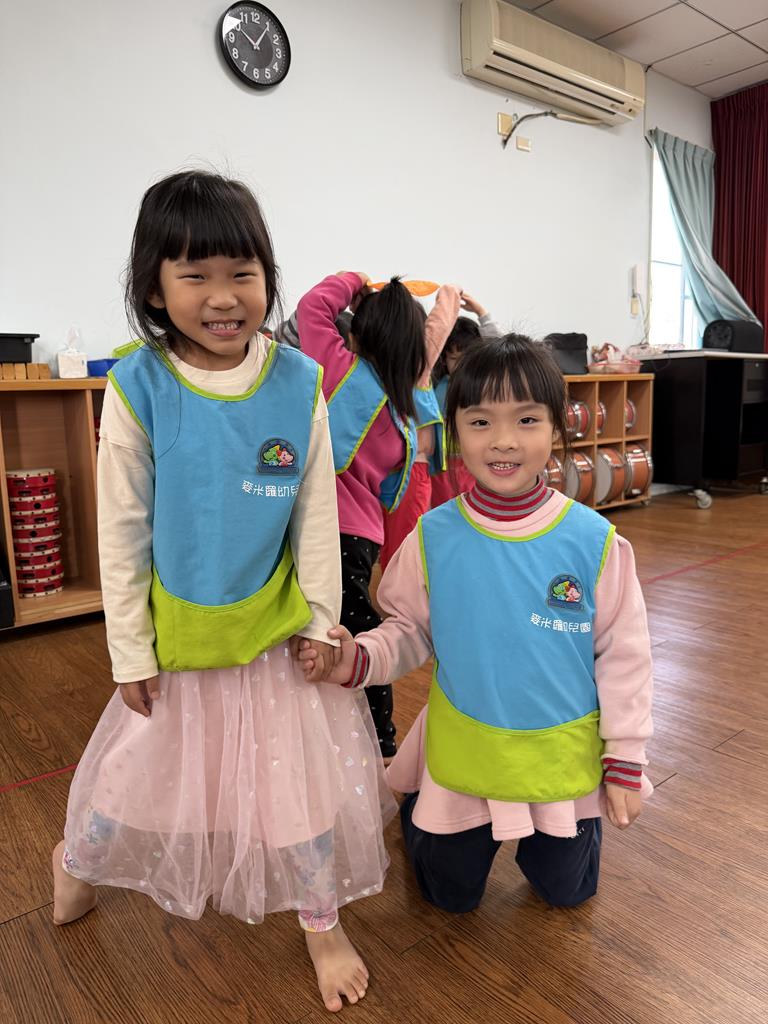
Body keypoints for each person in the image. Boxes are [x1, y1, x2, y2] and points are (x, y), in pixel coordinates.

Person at [51, 170, 396, 1014]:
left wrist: (322, 621)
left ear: (267, 278)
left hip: (275, 634)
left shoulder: (297, 382)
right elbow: (122, 531)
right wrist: (129, 651)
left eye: (242, 273)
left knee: (296, 789)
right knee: (132, 774)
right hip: (180, 641)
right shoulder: (139, 387)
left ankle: (321, 924)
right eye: (194, 274)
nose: (222, 296)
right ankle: (78, 863)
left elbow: (316, 513)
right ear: (154, 288)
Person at [299, 334, 654, 914]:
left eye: (527, 420)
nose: (504, 440)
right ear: (455, 432)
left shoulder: (595, 542)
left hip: (560, 754)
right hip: (467, 749)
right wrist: (356, 658)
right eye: (481, 421)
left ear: (557, 427)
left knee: (568, 892)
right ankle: (420, 805)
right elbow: (409, 631)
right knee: (449, 897)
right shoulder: (432, 537)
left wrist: (625, 760)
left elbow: (625, 657)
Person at [297, 273, 461, 757]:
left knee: (337, 631)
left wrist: (354, 280)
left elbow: (312, 306)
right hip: (364, 532)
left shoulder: (339, 369)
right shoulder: (405, 392)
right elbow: (436, 331)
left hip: (324, 528)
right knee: (352, 629)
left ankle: (379, 741)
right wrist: (448, 299)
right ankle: (370, 734)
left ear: (357, 334)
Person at [430, 293, 503, 508]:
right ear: (444, 358)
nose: (460, 365)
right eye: (454, 359)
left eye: (466, 359)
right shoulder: (436, 384)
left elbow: (499, 348)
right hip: (442, 467)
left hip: (474, 463)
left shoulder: (483, 382)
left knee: (477, 509)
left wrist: (481, 312)